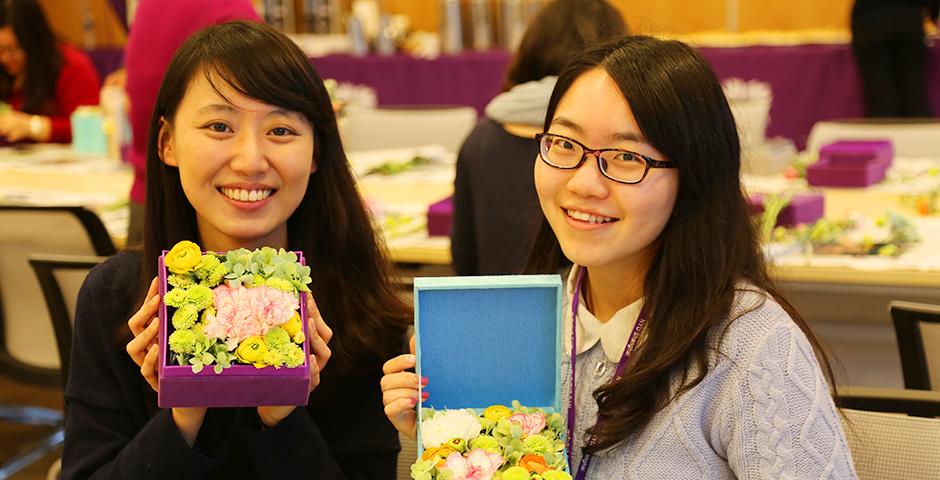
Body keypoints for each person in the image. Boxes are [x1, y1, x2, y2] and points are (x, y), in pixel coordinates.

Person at [382, 36, 858, 478]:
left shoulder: (751, 349)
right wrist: (454, 442)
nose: (584, 183)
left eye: (626, 157)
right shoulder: (523, 322)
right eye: (565, 145)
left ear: (693, 176)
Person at [63, 21, 411, 478]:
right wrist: (182, 413)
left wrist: (283, 417)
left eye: (281, 130)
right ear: (167, 143)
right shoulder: (114, 297)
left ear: (316, 154)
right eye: (219, 126)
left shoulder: (360, 305)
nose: (250, 161)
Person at [450, 0, 627, 275]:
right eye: (562, 144)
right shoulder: (618, 142)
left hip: (497, 307)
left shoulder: (481, 138)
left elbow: (465, 260)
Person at [113, 0, 260, 245]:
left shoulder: (149, 6)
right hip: (206, 208)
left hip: (150, 191)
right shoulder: (226, 7)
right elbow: (263, 96)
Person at [0, 0, 99, 143]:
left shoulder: (71, 66)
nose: (3, 58)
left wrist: (35, 126)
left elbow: (91, 126)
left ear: (34, 42)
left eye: (12, 50)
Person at [851, 0, 940, 117]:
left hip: (870, 23)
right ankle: (918, 131)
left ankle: (884, 130)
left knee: (880, 96)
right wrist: (933, 13)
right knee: (913, 95)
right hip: (908, 22)